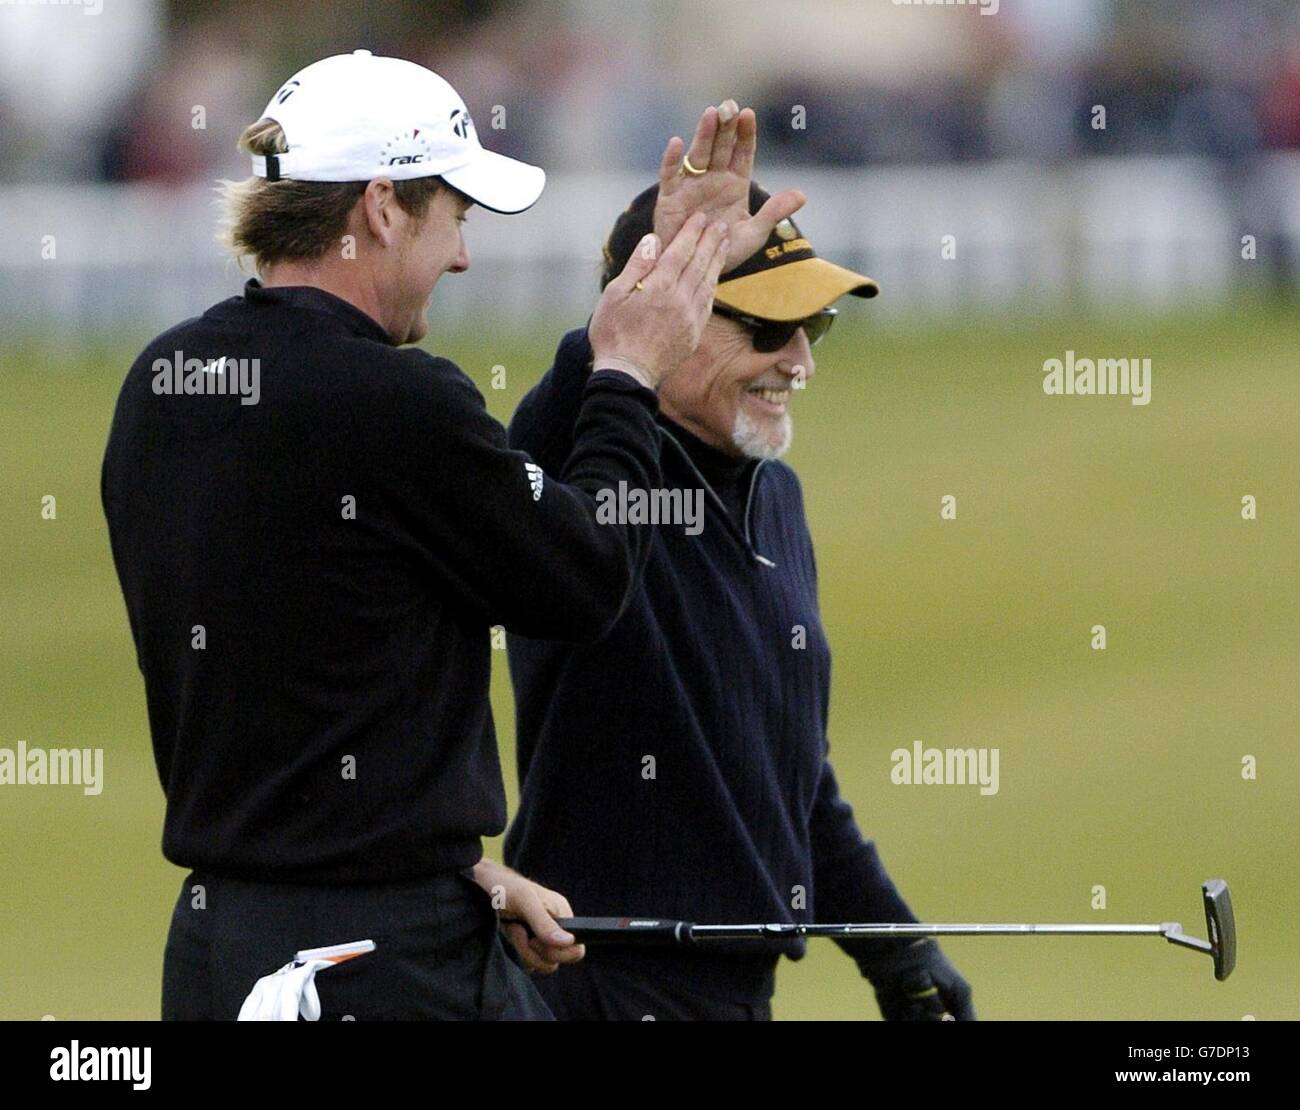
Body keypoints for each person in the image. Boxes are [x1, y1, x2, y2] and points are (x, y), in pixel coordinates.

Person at [100, 49, 736, 1020]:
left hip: (222, 950)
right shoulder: (393, 401)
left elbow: (315, 678)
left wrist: (455, 873)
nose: (465, 254)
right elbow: (586, 573)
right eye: (456, 216)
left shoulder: (162, 380)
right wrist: (627, 375)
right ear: (382, 207)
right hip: (376, 969)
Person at [503, 109, 976, 1021]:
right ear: (666, 318)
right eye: (768, 331)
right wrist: (623, 317)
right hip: (593, 991)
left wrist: (895, 947)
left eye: (816, 327)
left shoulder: (776, 495)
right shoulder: (586, 469)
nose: (799, 361)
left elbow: (790, 777)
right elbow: (540, 442)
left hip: (735, 997)